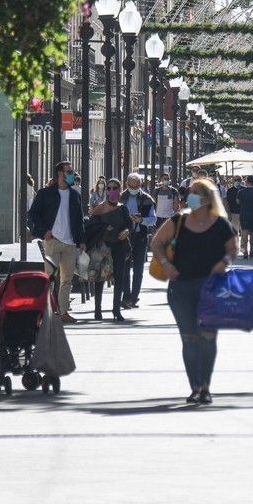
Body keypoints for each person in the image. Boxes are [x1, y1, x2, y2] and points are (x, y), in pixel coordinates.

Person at [151, 178, 237, 405]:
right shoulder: (178, 220)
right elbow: (157, 242)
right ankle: (195, 386)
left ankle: (206, 387)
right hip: (181, 287)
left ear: (208, 198)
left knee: (208, 337)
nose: (191, 195)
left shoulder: (220, 224)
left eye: (197, 192)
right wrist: (165, 263)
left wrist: (225, 261)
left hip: (212, 286)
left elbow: (232, 249)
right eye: (190, 192)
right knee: (189, 339)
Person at [27, 161, 86, 323]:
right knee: (49, 278)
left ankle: (64, 312)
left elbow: (79, 219)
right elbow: (33, 213)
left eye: (72, 171)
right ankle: (46, 312)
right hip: (53, 241)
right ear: (60, 173)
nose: (71, 174)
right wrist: (44, 231)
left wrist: (81, 240)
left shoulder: (75, 195)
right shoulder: (46, 193)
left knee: (66, 279)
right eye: (69, 171)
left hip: (70, 243)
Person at [87, 179, 132, 321]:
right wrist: (103, 229)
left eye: (115, 188)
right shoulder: (99, 208)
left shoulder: (123, 208)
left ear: (119, 190)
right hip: (102, 247)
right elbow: (91, 226)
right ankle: (97, 310)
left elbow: (128, 225)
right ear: (106, 190)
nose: (112, 190)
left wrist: (126, 232)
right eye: (109, 188)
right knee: (100, 278)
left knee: (119, 278)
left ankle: (116, 309)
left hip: (118, 246)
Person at [120, 173, 156, 310]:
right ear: (127, 185)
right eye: (130, 185)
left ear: (140, 185)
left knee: (138, 269)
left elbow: (153, 218)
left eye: (136, 185)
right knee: (124, 267)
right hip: (125, 236)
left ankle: (134, 297)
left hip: (140, 235)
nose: (133, 188)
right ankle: (126, 296)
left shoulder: (147, 199)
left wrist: (142, 220)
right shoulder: (121, 197)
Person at [237, 175, 253, 259]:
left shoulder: (241, 192)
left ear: (246, 182)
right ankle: (251, 250)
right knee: (252, 234)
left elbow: (238, 202)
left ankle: (245, 252)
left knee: (244, 233)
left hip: (244, 214)